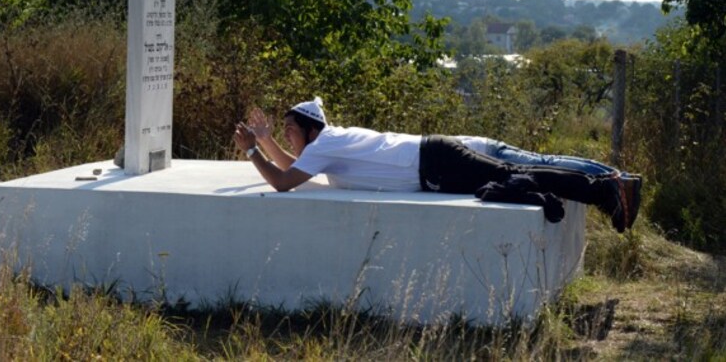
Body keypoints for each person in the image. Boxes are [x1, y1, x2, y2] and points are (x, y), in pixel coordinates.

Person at [233, 98, 639, 233]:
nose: (285, 136)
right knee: (516, 177)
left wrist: (253, 151)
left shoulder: (328, 141)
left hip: (433, 162)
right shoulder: (325, 147)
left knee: (518, 175)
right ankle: (605, 190)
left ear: (310, 128)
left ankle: (606, 190)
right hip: (432, 164)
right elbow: (293, 169)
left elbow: (284, 182)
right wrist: (265, 140)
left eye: (288, 129)